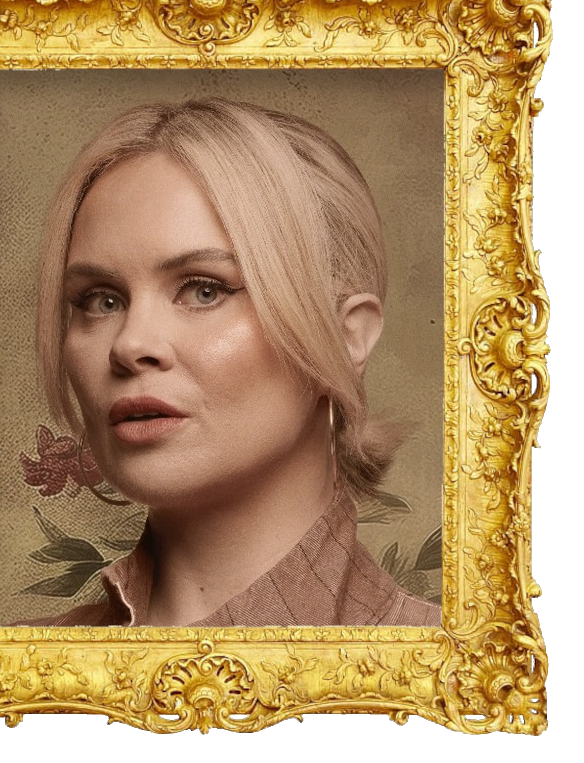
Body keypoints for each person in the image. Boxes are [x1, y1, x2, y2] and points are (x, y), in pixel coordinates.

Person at [27, 98, 441, 628]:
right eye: (101, 300)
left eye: (204, 290)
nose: (129, 344)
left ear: (345, 338)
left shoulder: (455, 679)